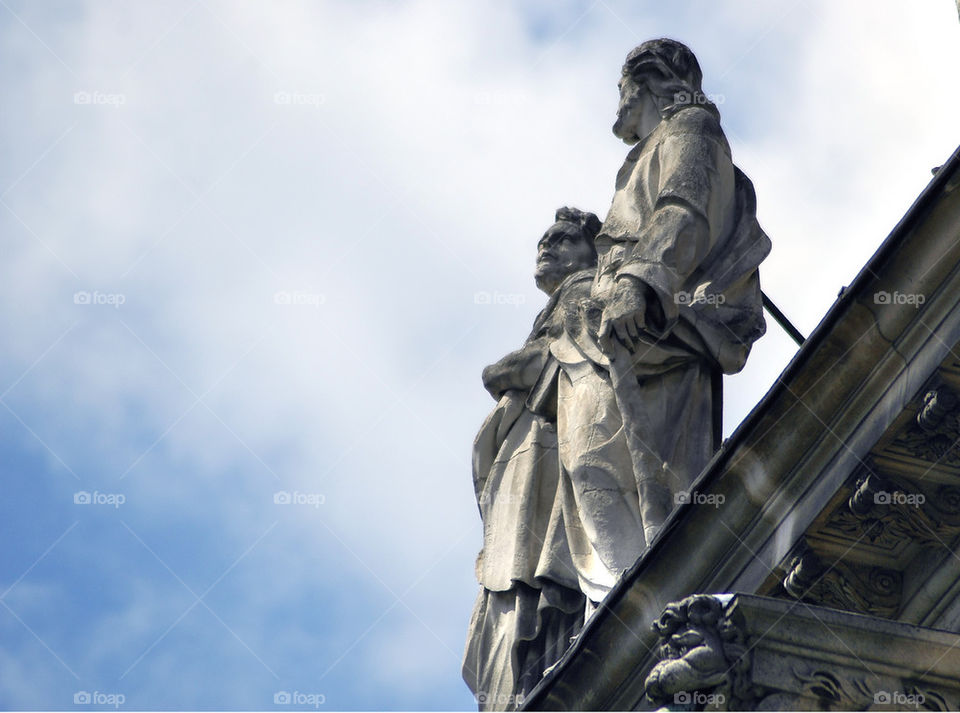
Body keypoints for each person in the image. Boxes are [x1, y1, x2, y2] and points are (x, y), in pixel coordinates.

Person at [552, 38, 771, 607]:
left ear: (645, 81)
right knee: (591, 462)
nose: (617, 101)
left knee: (646, 471)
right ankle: (621, 600)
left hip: (658, 325)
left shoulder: (690, 129)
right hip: (620, 331)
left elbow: (683, 211)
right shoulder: (653, 148)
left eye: (620, 88)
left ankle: (653, 602)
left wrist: (637, 283)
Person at [463, 208, 600, 710]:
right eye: (544, 241)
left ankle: (543, 659)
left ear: (592, 252)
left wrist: (500, 371)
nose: (547, 247)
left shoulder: (583, 290)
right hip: (534, 450)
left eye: (563, 239)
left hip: (550, 448)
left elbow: (549, 359)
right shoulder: (558, 305)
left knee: (536, 567)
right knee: (524, 569)